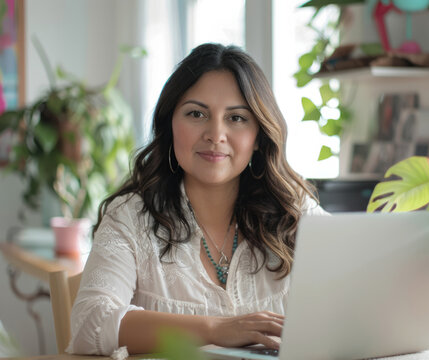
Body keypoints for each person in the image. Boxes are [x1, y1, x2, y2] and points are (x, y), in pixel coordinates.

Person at [67, 43, 327, 355]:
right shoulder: (129, 218)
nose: (215, 134)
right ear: (170, 125)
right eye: (196, 113)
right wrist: (217, 329)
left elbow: (361, 295)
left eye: (237, 118)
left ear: (258, 137)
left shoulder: (296, 211)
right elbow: (89, 324)